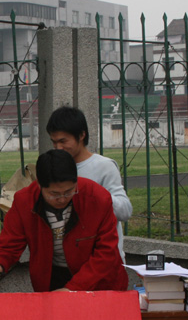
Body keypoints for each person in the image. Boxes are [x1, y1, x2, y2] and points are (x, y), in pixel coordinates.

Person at [0, 149, 127, 292]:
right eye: (54, 194)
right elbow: (10, 244)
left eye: (69, 191)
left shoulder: (98, 198)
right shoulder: (24, 201)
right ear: (39, 185)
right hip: (52, 277)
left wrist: (73, 289)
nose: (62, 199)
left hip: (99, 281)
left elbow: (106, 252)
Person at [46, 106, 133, 261]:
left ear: (81, 135)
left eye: (63, 141)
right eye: (54, 142)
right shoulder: (51, 166)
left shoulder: (104, 166)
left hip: (102, 259)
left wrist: (93, 192)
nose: (58, 148)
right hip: (66, 261)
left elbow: (124, 211)